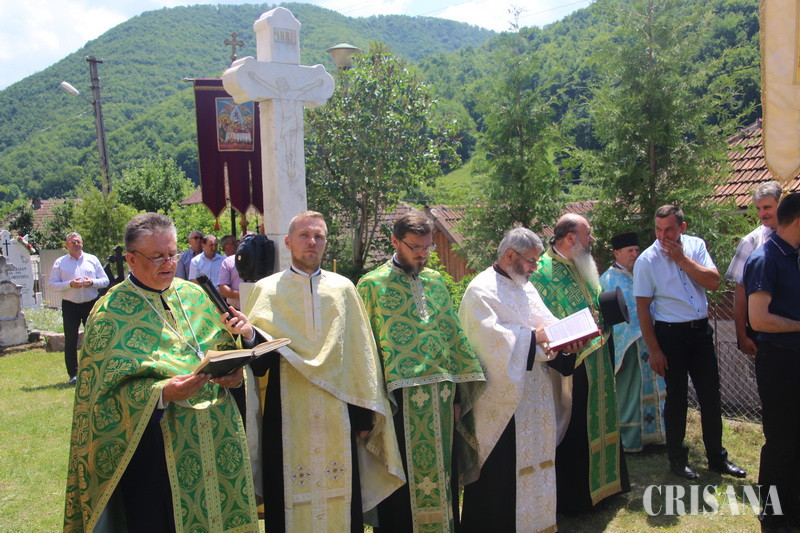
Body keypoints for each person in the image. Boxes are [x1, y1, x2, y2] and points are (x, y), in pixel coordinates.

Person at [63, 213, 258, 532]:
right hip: (157, 448)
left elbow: (225, 350)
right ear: (131, 259)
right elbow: (102, 399)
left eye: (172, 254)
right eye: (157, 257)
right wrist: (162, 394)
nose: (168, 263)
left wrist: (235, 373)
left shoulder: (195, 295)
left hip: (218, 437)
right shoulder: (109, 312)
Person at [245, 211, 404, 532]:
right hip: (285, 413)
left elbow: (360, 357)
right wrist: (249, 336)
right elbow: (258, 363)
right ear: (288, 242)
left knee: (342, 500)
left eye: (319, 236)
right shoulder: (267, 290)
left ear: (326, 243)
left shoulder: (343, 290)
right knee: (285, 499)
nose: (312, 242)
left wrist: (363, 418)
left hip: (339, 413)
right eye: (304, 236)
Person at [356, 210, 485, 532]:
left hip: (441, 400)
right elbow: (364, 352)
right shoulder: (371, 285)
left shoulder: (436, 282)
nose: (423, 254)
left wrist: (458, 397)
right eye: (415, 247)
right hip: (398, 402)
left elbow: (452, 341)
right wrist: (365, 412)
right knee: (401, 485)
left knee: (442, 477)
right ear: (395, 241)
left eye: (428, 247)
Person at [458, 227, 580, 532]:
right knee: (502, 474)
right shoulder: (481, 291)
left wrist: (567, 340)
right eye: (531, 261)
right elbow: (490, 344)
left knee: (537, 462)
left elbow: (546, 324)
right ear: (510, 255)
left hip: (535, 393)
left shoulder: (525, 286)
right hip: (502, 401)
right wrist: (534, 338)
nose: (535, 267)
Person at [633, 205, 746, 480]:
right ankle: (677, 460)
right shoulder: (646, 260)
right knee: (677, 398)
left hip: (700, 331)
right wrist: (655, 350)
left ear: (682, 228)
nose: (663, 236)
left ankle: (717, 458)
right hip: (670, 334)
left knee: (710, 396)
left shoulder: (696, 246)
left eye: (669, 230)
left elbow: (714, 282)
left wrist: (682, 258)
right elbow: (642, 309)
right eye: (658, 230)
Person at [530, 213, 629, 514]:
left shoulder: (582, 263)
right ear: (571, 238)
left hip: (599, 353)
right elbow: (542, 321)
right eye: (587, 235)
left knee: (603, 419)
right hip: (572, 365)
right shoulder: (542, 272)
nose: (592, 240)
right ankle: (578, 498)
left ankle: (608, 486)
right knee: (577, 426)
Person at [744, 192, 800, 532]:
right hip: (779, 361)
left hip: (795, 358)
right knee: (781, 441)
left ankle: (793, 508)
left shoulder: (793, 255)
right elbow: (759, 319)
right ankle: (773, 516)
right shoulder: (765, 258)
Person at [600, 232, 666, 452]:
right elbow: (610, 320)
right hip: (628, 349)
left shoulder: (642, 273)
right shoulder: (609, 279)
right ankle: (631, 440)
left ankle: (656, 438)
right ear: (616, 253)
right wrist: (619, 349)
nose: (635, 255)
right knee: (631, 393)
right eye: (629, 251)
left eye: (637, 250)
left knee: (656, 390)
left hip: (651, 343)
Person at [725, 181, 782, 355]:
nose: (762, 214)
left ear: (781, 205)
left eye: (767, 207)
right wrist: (741, 335)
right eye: (758, 208)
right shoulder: (751, 242)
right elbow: (740, 292)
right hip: (764, 334)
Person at [47, 232, 109, 385]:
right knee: (71, 340)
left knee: (96, 337)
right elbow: (52, 284)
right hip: (70, 305)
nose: (76, 244)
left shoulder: (92, 259)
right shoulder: (60, 262)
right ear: (67, 245)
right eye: (73, 242)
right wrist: (70, 284)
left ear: (82, 243)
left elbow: (105, 280)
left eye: (78, 241)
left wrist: (92, 282)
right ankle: (73, 374)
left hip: (90, 303)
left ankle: (97, 370)